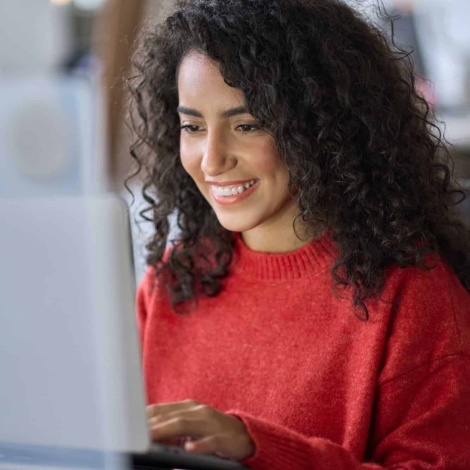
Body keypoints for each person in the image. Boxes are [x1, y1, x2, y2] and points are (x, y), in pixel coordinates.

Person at [128, 0, 470, 468]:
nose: (211, 160)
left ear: (321, 128)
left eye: (246, 125)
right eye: (192, 126)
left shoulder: (412, 299)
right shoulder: (171, 282)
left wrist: (257, 449)